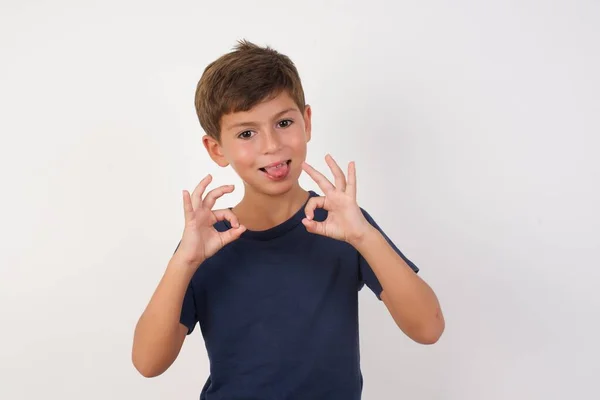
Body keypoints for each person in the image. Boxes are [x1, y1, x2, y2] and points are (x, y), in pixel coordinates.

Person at [132, 39, 444, 399]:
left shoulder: (344, 225)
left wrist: (365, 238)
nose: (271, 145)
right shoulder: (205, 243)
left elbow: (428, 328)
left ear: (306, 122)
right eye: (247, 133)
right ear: (217, 149)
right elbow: (148, 363)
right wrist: (183, 263)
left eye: (283, 122)